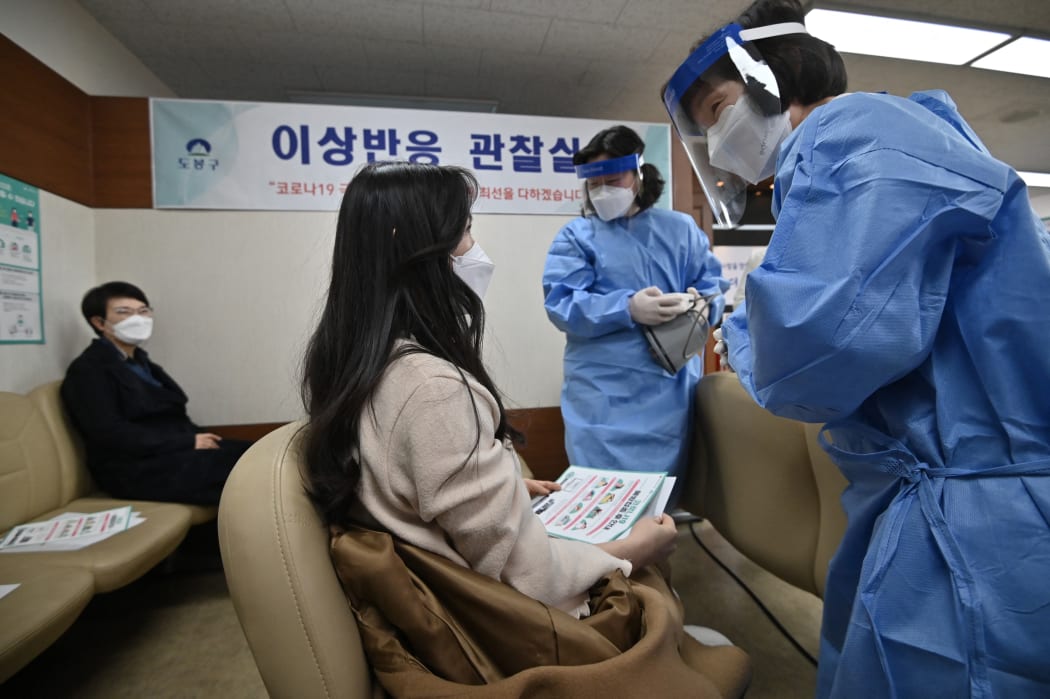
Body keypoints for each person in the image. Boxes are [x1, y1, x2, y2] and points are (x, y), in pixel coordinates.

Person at [664, 1, 1050, 696]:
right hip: (972, 497)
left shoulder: (847, 136)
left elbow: (822, 343)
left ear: (776, 82)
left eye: (720, 107)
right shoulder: (894, 133)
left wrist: (744, 330)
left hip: (972, 521)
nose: (718, 138)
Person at [299, 162, 744, 694]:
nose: (475, 248)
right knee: (649, 576)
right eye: (465, 230)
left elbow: (416, 487)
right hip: (507, 632)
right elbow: (532, 578)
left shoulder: (354, 364)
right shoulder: (431, 389)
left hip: (657, 401)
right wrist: (627, 551)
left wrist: (498, 486)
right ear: (415, 247)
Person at [542, 125, 729, 482]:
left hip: (666, 393)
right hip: (600, 398)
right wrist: (626, 308)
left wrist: (703, 305)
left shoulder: (681, 229)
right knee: (600, 494)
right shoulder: (576, 236)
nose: (603, 192)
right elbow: (562, 303)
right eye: (594, 184)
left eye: (613, 180)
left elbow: (712, 286)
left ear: (639, 175)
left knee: (658, 500)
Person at [61, 281, 251, 505]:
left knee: (260, 455)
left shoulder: (141, 362)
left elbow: (170, 412)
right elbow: (111, 433)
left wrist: (196, 438)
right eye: (124, 312)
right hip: (135, 469)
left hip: (173, 454)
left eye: (143, 311)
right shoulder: (87, 370)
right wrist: (186, 441)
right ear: (99, 322)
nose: (138, 319)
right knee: (251, 471)